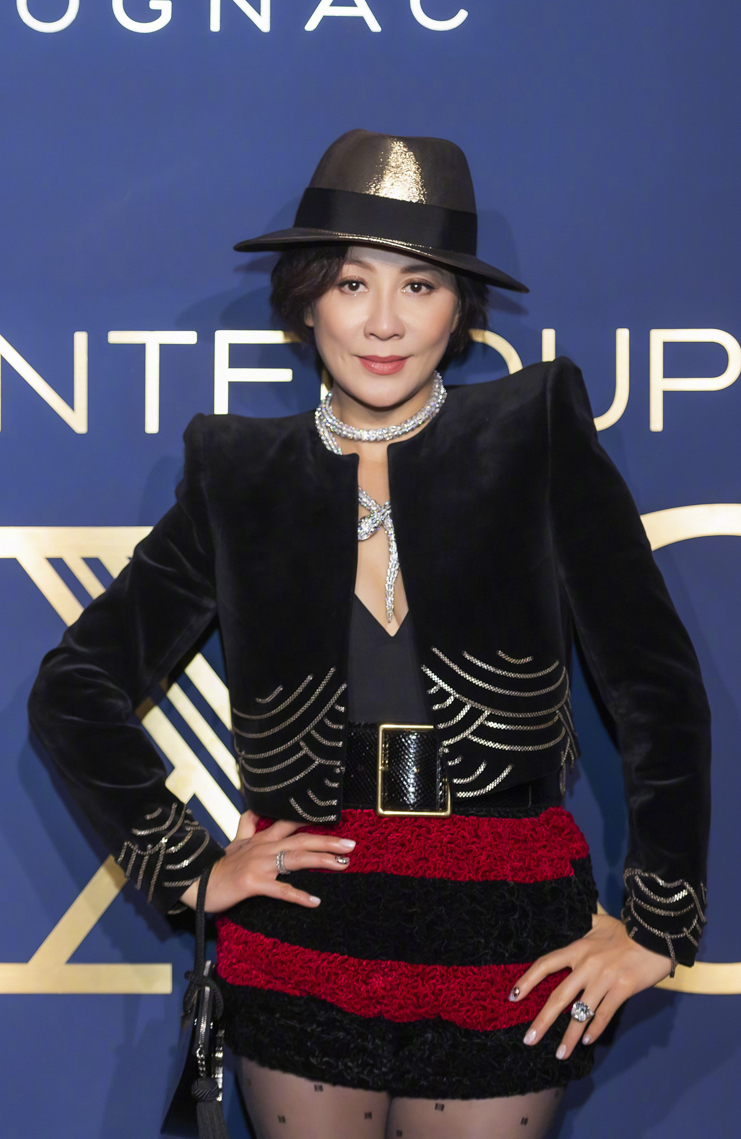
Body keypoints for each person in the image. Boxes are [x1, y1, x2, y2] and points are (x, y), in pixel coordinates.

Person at [28, 129, 711, 1139]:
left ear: (458, 310)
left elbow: (656, 687)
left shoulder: (533, 433)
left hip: (505, 919)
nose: (384, 321)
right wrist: (190, 865)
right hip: (309, 922)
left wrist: (656, 922)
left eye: (419, 285)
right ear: (306, 300)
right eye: (352, 283)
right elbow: (73, 687)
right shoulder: (238, 473)